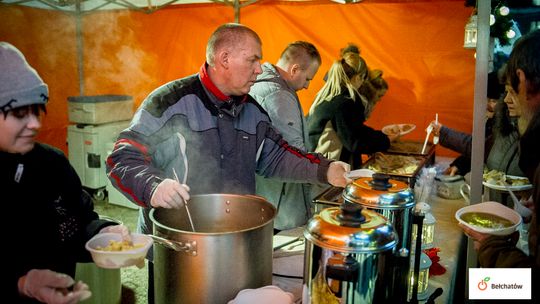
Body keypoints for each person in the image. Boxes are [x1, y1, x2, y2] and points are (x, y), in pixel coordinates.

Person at [106, 23, 350, 303]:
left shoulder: (253, 113)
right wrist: (153, 186)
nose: (260, 68)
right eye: (253, 59)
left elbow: (279, 155)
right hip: (179, 251)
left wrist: (325, 169)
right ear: (224, 59)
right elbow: (122, 157)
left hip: (239, 250)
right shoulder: (170, 102)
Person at [0, 42, 129, 304]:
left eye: (37, 110)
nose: (35, 124)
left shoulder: (52, 163)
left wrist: (102, 233)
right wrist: (22, 283)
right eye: (18, 113)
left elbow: (80, 220)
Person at [459, 28, 540, 300]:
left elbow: (530, 284)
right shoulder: (508, 130)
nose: (507, 100)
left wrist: (492, 248)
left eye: (509, 91)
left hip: (510, 256)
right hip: (512, 243)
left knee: (482, 291)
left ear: (520, 79)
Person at [249, 41, 321, 231]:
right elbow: (293, 153)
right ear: (295, 69)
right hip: (280, 202)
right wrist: (324, 170)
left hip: (263, 195)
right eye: (308, 79)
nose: (306, 86)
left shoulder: (259, 84)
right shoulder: (278, 95)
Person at [307, 50, 397, 170]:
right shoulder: (345, 101)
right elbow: (355, 142)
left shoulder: (327, 95)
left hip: (312, 161)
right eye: (363, 78)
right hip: (324, 169)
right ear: (359, 77)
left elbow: (353, 129)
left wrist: (382, 135)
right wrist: (385, 141)